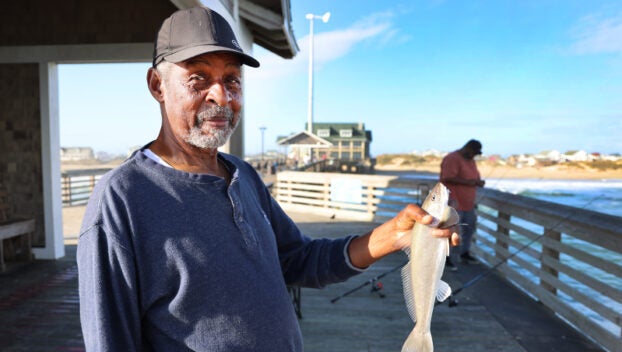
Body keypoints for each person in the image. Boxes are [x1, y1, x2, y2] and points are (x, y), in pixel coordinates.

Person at [77, 6, 458, 351]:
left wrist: (392, 235)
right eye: (198, 79)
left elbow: (298, 260)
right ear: (158, 86)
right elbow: (110, 340)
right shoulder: (122, 199)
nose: (221, 96)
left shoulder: (242, 175)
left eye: (232, 79)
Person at [440, 139, 486, 270]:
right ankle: (446, 258)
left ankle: (464, 253)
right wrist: (469, 182)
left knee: (469, 229)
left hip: (468, 203)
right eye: (474, 152)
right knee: (450, 231)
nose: (474, 155)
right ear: (467, 148)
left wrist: (478, 182)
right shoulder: (452, 158)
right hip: (453, 201)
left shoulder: (471, 161)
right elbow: (447, 177)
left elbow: (474, 177)